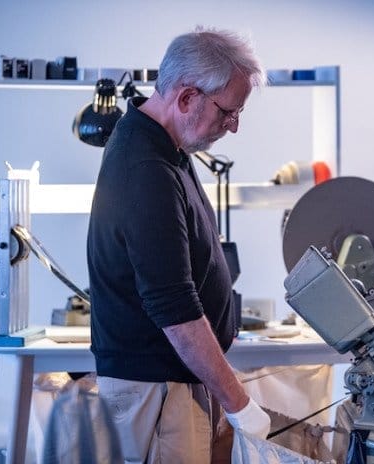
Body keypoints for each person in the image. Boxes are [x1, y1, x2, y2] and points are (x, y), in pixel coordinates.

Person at [87, 27, 271, 463]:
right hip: (155, 393)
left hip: (170, 386)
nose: (234, 126)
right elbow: (175, 308)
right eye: (229, 111)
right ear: (187, 97)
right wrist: (239, 403)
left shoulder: (167, 149)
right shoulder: (146, 166)